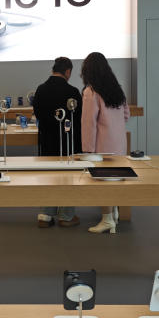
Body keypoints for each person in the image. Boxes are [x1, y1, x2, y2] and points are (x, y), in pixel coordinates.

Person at [80, 52, 130, 234]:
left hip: (101, 145)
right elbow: (126, 115)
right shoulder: (117, 89)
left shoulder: (91, 92)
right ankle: (113, 212)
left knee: (103, 183)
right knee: (115, 180)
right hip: (119, 144)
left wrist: (87, 150)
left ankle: (107, 219)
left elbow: (88, 123)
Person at [31, 56, 82, 227]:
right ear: (67, 72)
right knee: (67, 176)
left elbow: (37, 114)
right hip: (67, 141)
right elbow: (78, 118)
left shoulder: (40, 90)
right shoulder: (73, 92)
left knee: (48, 175)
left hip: (47, 140)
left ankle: (45, 215)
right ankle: (66, 216)